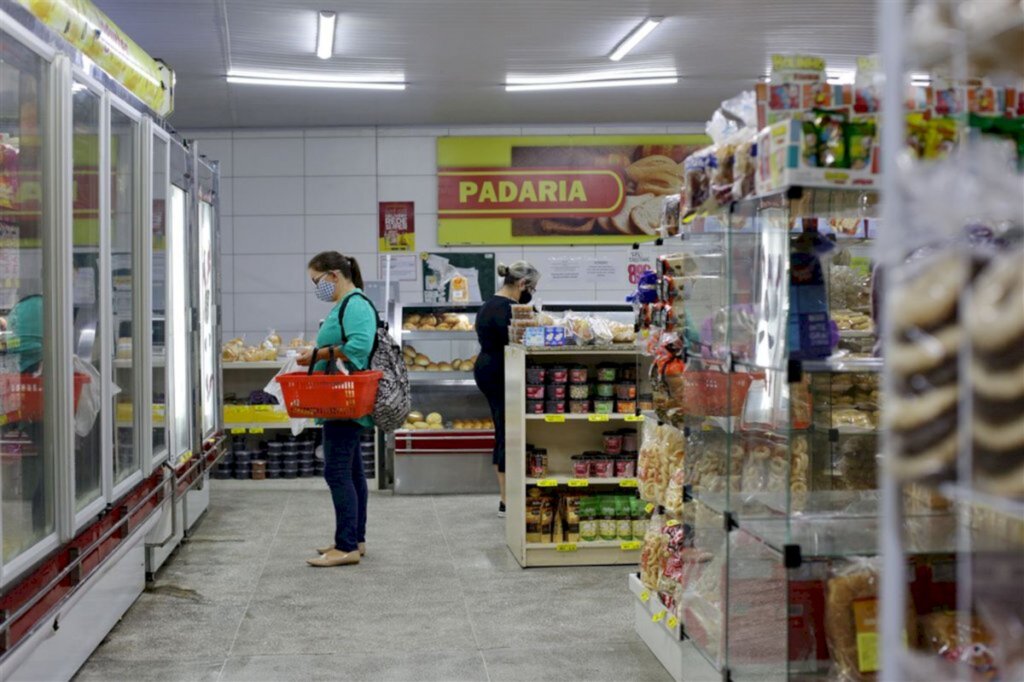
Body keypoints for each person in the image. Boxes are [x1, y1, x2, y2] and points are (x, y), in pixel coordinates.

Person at [297, 252, 377, 567]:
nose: (317, 288)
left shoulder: (354, 304)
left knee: (337, 471)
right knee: (353, 472)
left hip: (346, 399)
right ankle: (354, 538)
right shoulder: (345, 304)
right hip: (340, 398)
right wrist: (317, 353)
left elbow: (359, 347)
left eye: (317, 281)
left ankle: (346, 547)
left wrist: (317, 354)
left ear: (333, 276)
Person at [474, 261, 540, 517]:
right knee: (507, 431)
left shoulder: (489, 304)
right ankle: (506, 500)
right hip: (502, 374)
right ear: (522, 284)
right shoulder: (510, 310)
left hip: (489, 370)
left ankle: (507, 497)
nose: (531, 293)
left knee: (503, 428)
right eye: (531, 288)